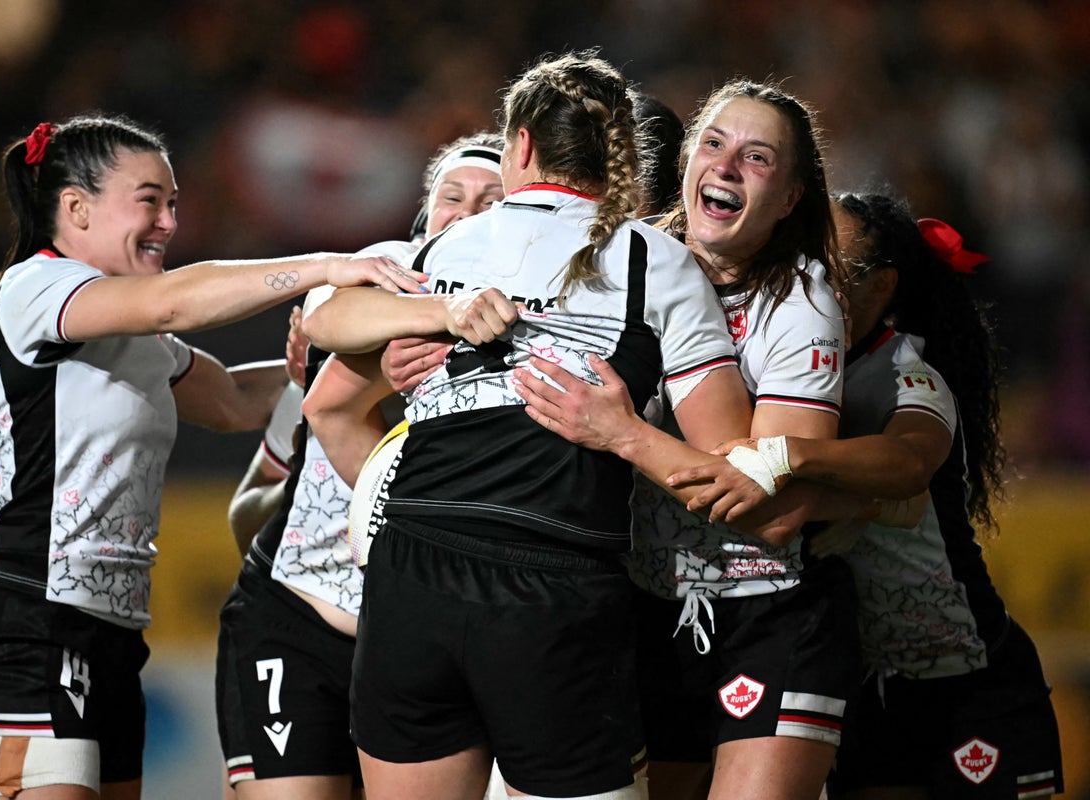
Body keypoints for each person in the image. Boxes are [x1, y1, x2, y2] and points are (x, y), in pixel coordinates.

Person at [0, 113, 425, 800]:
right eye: (149, 201)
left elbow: (236, 403)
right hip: (23, 632)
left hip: (108, 642)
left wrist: (360, 349)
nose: (167, 222)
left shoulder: (133, 335)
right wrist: (327, 270)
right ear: (74, 207)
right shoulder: (34, 289)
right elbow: (173, 303)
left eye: (174, 204)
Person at [302, 51, 753, 800]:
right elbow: (729, 464)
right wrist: (624, 434)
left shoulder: (450, 244)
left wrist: (436, 311)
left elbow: (330, 319)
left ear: (517, 144)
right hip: (553, 582)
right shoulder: (655, 261)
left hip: (410, 574)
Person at [512, 79, 857, 800]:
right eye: (714, 143)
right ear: (687, 163)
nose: (727, 166)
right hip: (646, 603)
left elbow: (779, 510)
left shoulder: (799, 300)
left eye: (757, 157)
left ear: (791, 197)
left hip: (771, 606)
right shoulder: (631, 261)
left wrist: (627, 435)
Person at [679, 192, 1065, 799]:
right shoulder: (776, 362)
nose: (801, 276)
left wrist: (789, 454)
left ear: (879, 287)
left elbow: (908, 462)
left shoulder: (904, 374)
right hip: (862, 677)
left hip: (968, 682)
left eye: (825, 267)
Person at [214, 131, 505, 800]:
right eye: (450, 197)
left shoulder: (531, 326)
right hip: (298, 619)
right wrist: (433, 319)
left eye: (493, 201)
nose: (466, 213)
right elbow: (326, 316)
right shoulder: (389, 270)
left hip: (430, 640)